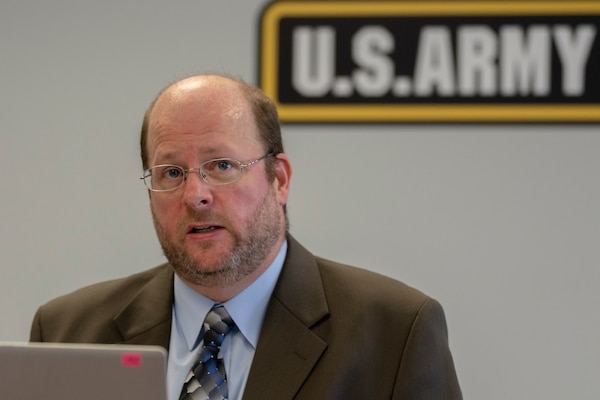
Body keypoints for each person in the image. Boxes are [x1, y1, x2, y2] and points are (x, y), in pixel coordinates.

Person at [30, 74, 462, 399]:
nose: (195, 195)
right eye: (172, 173)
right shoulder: (68, 332)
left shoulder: (395, 332)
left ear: (279, 179)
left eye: (221, 165)